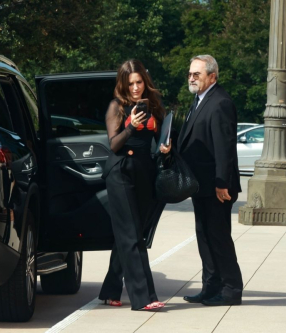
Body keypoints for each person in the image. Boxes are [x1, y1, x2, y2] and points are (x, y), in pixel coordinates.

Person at [98, 59, 171, 311]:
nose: (136, 88)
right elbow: (114, 144)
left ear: (145, 81)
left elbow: (160, 138)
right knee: (132, 237)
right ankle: (144, 298)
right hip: (121, 173)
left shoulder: (154, 106)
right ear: (123, 84)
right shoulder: (116, 107)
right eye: (131, 84)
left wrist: (165, 146)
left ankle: (109, 291)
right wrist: (131, 127)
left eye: (139, 82)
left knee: (130, 234)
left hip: (144, 173)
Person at [178, 55, 243, 306]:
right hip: (201, 185)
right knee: (204, 236)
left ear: (212, 77)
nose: (192, 78)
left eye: (197, 74)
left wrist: (221, 183)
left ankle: (231, 290)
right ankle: (210, 287)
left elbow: (224, 148)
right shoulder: (199, 100)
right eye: (190, 74)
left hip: (217, 187)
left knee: (218, 238)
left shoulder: (220, 102)